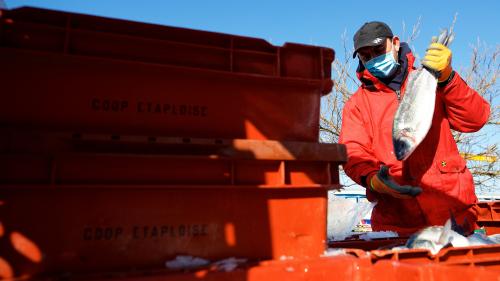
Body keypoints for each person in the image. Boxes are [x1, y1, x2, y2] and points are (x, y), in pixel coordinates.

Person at [339, 21, 490, 236]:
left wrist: (447, 78)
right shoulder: (356, 105)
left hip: (454, 216)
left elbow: (476, 119)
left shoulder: (430, 80)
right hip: (397, 225)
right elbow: (353, 153)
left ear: (396, 43)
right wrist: (375, 180)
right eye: (365, 56)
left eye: (379, 50)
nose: (373, 59)